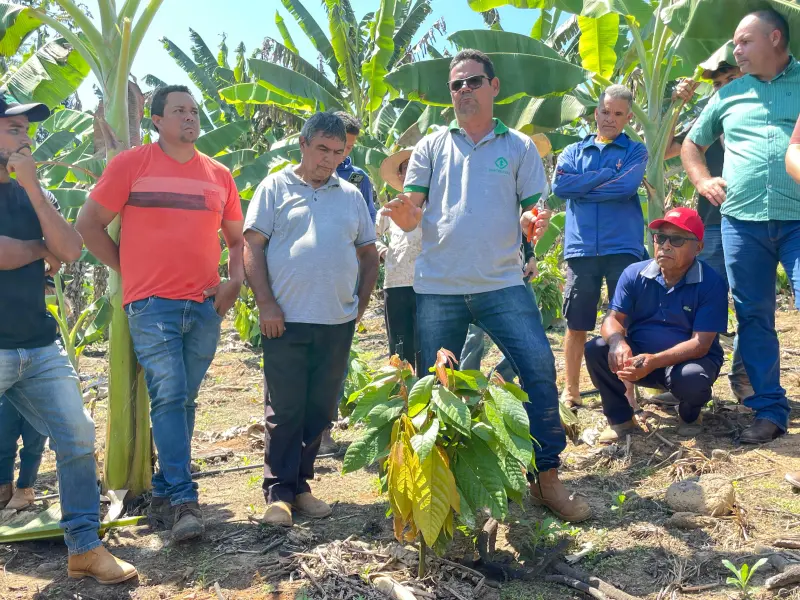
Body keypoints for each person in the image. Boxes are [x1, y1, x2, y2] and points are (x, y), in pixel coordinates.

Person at [384, 49, 591, 522]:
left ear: (494, 87)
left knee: (537, 367)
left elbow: (534, 207)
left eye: (473, 81)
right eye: (456, 84)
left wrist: (531, 221)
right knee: (434, 387)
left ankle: (546, 477)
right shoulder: (431, 146)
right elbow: (414, 210)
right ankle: (442, 491)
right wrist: (405, 214)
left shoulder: (518, 146)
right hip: (438, 287)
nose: (464, 91)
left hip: (502, 282)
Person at [77, 85, 245, 541]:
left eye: (194, 110)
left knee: (183, 399)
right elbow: (87, 224)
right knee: (170, 397)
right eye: (179, 111)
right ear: (156, 119)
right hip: (151, 305)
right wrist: (129, 269)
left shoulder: (219, 174)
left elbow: (236, 240)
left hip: (205, 305)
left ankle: (164, 490)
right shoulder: (131, 165)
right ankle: (185, 500)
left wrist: (234, 282)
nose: (190, 117)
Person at [0, 96, 137, 583]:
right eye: (14, 129)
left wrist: (35, 191)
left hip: (38, 345)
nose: (26, 139)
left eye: (27, 130)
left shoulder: (31, 194)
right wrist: (40, 248)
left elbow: (73, 249)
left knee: (77, 436)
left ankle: (83, 548)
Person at [243, 112, 379, 527]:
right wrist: (266, 304)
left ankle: (301, 486)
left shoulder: (351, 195)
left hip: (335, 321)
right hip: (285, 318)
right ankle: (278, 494)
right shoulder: (274, 187)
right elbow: (252, 246)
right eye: (322, 149)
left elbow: (368, 253)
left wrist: (360, 304)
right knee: (284, 409)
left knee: (320, 409)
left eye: (337, 152)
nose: (329, 159)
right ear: (303, 144)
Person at [681, 9, 800, 443]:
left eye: (745, 41)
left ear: (775, 38)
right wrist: (702, 180)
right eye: (734, 43)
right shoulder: (729, 95)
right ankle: (769, 410)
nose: (736, 50)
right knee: (753, 316)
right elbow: (692, 144)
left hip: (798, 219)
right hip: (741, 223)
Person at [585, 208, 728, 442]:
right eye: (660, 238)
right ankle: (621, 419)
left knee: (693, 378)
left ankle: (690, 415)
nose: (665, 246)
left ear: (699, 247)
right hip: (639, 361)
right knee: (597, 349)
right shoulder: (634, 274)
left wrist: (654, 361)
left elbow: (700, 344)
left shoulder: (711, 283)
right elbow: (612, 319)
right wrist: (618, 342)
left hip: (687, 363)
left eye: (677, 240)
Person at [551, 85, 648, 409]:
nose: (610, 118)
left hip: (622, 248)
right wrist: (604, 175)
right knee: (576, 323)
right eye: (605, 111)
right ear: (596, 112)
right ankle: (572, 391)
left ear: (628, 118)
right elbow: (560, 186)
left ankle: (628, 395)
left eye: (618, 114)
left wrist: (583, 186)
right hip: (581, 250)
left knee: (623, 322)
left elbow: (625, 188)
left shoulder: (635, 151)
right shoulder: (573, 151)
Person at [665, 44, 753, 403]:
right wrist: (677, 106)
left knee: (751, 306)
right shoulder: (709, 119)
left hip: (751, 224)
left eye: (731, 78)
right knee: (698, 305)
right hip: (711, 226)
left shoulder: (761, 112)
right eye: (718, 83)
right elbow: (665, 149)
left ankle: (745, 380)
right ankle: (688, 380)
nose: (725, 87)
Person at [460, 134, 552, 382]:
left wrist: (530, 256)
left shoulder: (529, 191)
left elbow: (526, 228)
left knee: (532, 324)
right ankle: (467, 386)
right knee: (474, 331)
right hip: (479, 266)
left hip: (515, 268)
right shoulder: (487, 182)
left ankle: (500, 377)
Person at [376, 147, 422, 373]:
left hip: (430, 283)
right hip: (396, 283)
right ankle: (402, 388)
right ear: (400, 175)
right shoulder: (389, 208)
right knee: (400, 346)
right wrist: (384, 252)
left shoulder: (435, 206)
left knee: (429, 345)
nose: (411, 172)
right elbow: (369, 238)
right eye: (406, 168)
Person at [0, 396, 47, 510]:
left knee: (33, 441)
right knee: (3, 436)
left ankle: (25, 489)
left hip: (37, 391)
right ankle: (4, 486)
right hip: (8, 390)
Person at [335, 111, 376, 223]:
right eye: (341, 146)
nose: (344, 152)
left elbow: (369, 213)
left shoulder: (358, 176)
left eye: (349, 147)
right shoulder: (314, 173)